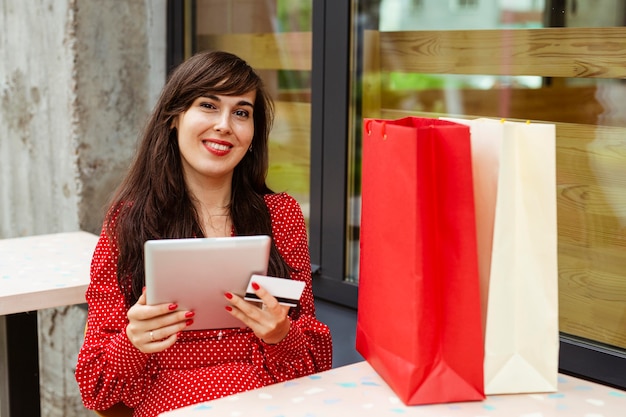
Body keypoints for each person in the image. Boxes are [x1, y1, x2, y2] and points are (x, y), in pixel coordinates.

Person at [75, 50, 333, 417]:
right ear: (174, 118)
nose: (225, 125)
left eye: (241, 112)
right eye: (208, 105)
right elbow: (96, 388)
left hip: (271, 404)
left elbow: (315, 364)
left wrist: (282, 335)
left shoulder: (281, 215)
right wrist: (132, 343)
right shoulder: (129, 221)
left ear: (253, 131)